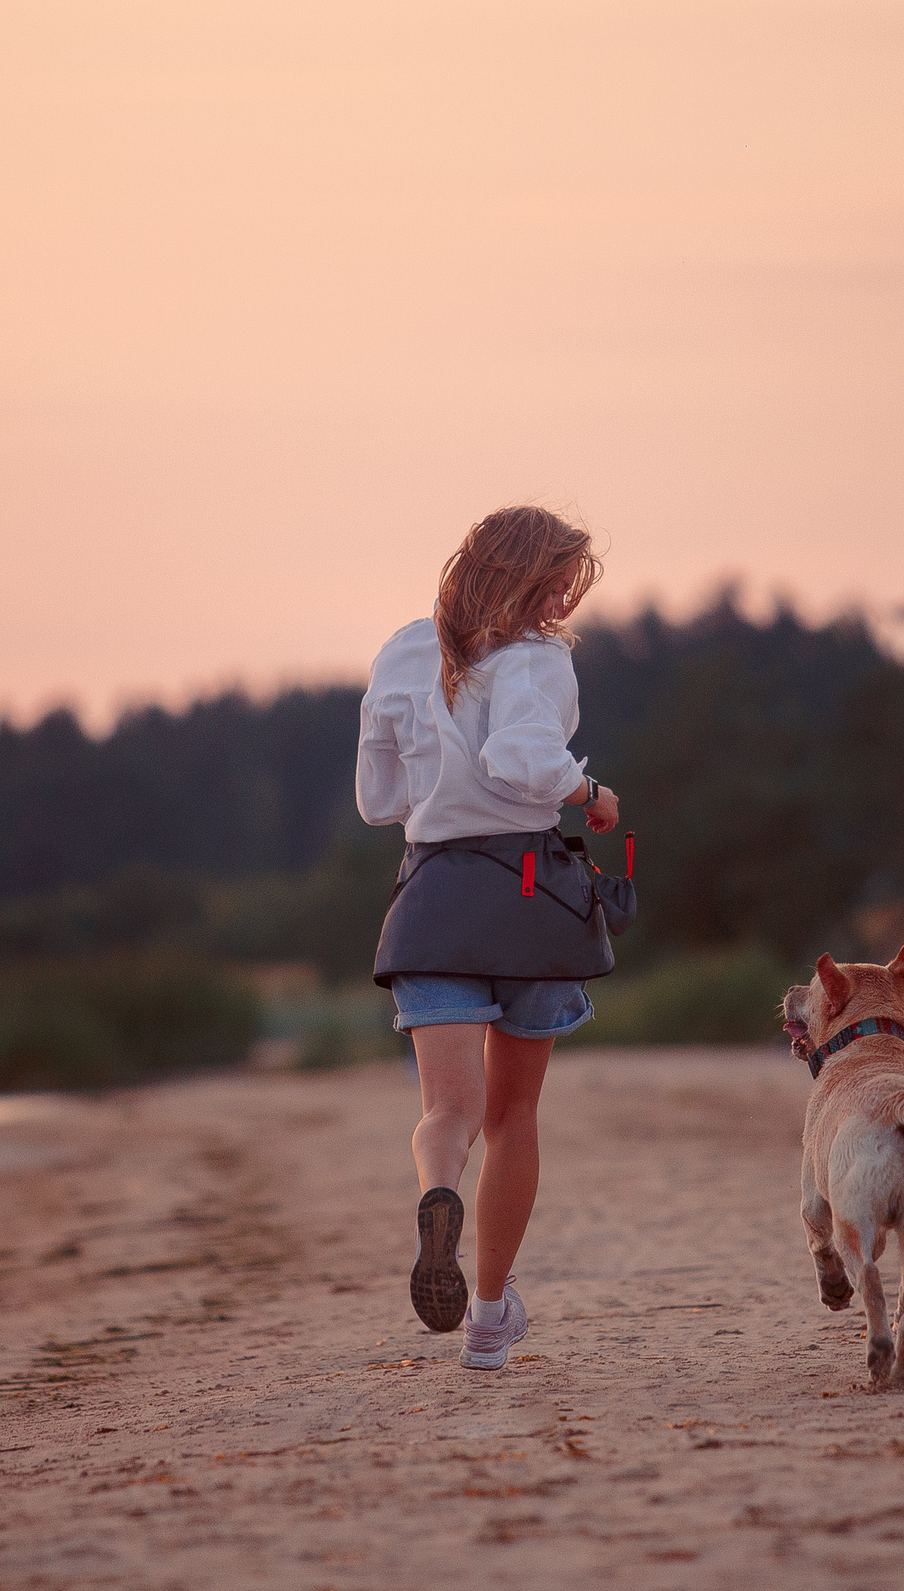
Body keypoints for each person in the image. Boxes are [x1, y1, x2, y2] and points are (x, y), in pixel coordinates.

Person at [355, 505, 623, 1371]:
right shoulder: (537, 659)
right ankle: (488, 1316)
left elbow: (377, 798)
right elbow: (521, 758)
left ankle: (439, 1191)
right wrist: (590, 795)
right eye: (559, 583)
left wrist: (443, 784)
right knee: (513, 1117)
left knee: (448, 1112)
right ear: (528, 574)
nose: (563, 603)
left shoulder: (404, 650)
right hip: (527, 897)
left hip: (434, 896)